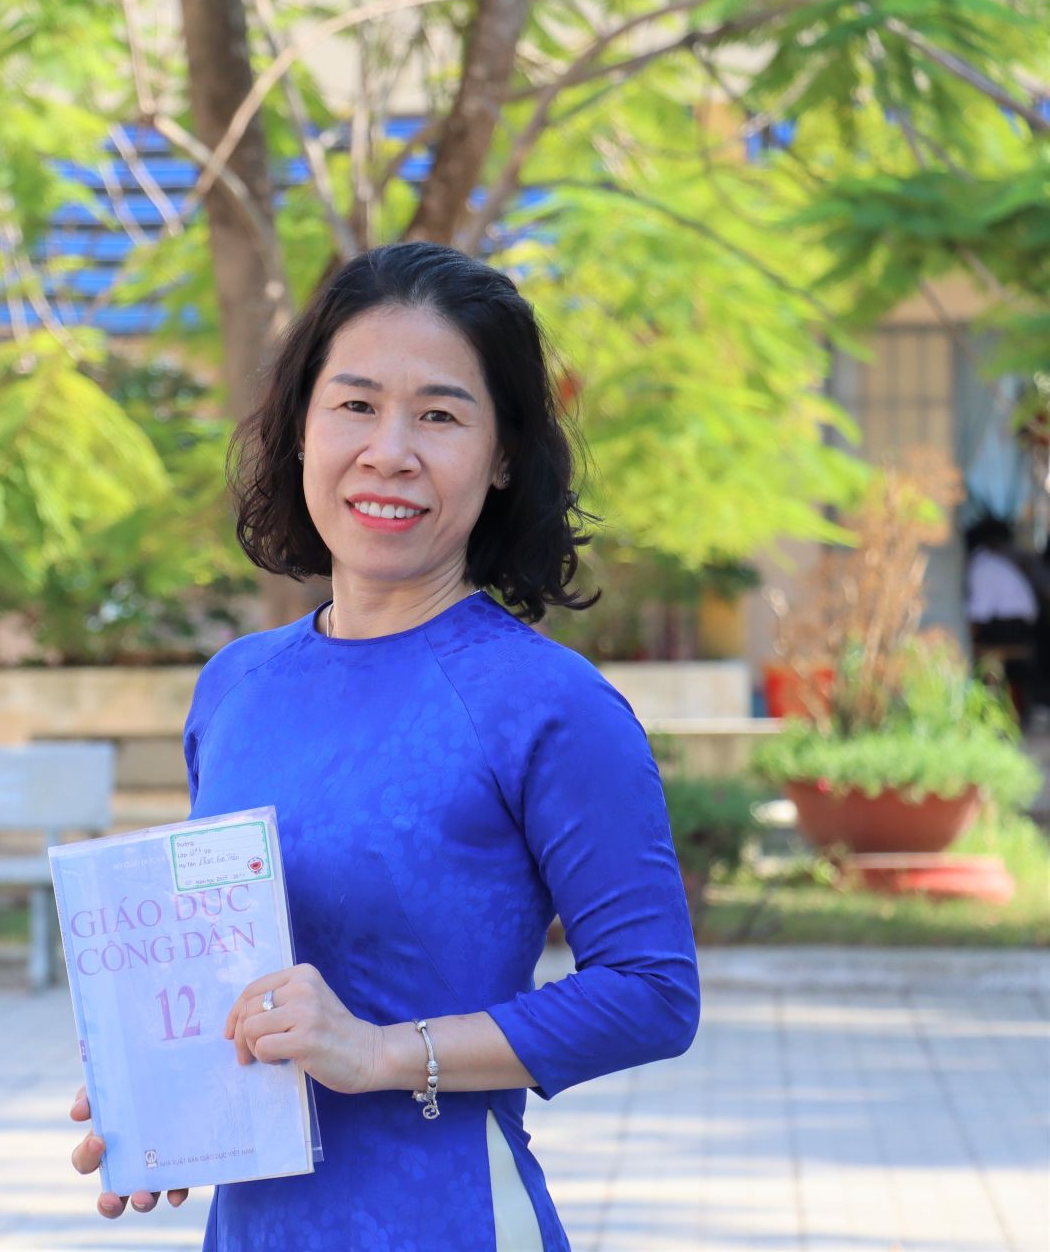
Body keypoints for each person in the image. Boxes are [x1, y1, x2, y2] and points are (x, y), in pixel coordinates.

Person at [67, 242, 700, 1250]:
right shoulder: (236, 685)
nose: (389, 451)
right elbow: (235, 967)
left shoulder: (550, 704)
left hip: (451, 1220)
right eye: (355, 404)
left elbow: (653, 992)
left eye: (439, 415)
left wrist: (379, 1053)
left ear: (502, 456)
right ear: (302, 427)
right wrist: (168, 1092)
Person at [964, 516, 1041, 719]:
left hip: (1012, 627)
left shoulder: (982, 567)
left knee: (974, 650)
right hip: (1018, 625)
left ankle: (988, 711)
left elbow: (978, 614)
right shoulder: (990, 564)